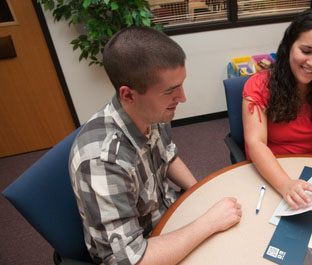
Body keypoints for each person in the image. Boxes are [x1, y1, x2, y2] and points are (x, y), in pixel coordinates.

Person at [69, 26, 242, 265]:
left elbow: (168, 156)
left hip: (167, 216)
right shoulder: (102, 160)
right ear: (128, 95)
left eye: (181, 84)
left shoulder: (152, 114)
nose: (183, 98)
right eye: (170, 91)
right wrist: (208, 222)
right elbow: (128, 260)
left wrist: (198, 191)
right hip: (145, 248)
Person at [242, 8, 312, 210]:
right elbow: (256, 143)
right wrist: (285, 184)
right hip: (272, 171)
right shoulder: (260, 85)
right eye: (306, 51)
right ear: (289, 46)